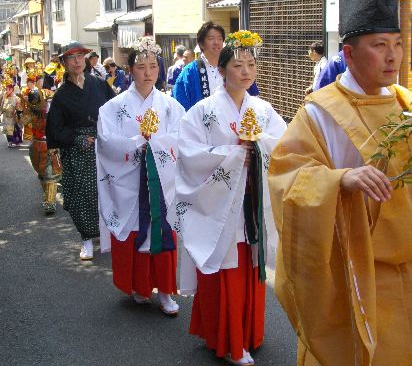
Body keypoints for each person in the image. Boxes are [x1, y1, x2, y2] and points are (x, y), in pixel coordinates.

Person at [269, 0, 412, 366]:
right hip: (361, 280)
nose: (393, 56)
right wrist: (339, 180)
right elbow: (287, 179)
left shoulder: (409, 104)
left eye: (399, 44)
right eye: (379, 44)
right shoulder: (321, 112)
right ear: (348, 53)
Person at [174, 37, 286, 365]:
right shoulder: (203, 112)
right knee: (225, 269)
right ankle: (230, 341)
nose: (245, 71)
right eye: (237, 65)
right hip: (220, 206)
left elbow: (284, 144)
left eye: (251, 64)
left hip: (251, 203)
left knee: (249, 268)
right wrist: (235, 155)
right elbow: (188, 154)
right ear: (222, 70)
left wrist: (261, 147)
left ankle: (248, 334)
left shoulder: (262, 110)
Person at [97, 37, 185, 315]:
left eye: (153, 67)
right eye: (141, 67)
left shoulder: (170, 105)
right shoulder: (114, 107)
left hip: (161, 181)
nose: (148, 73)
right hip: (130, 183)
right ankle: (141, 287)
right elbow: (106, 141)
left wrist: (156, 146)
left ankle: (167, 291)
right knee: (136, 230)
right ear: (130, 70)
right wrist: (137, 142)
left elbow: (182, 138)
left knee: (163, 230)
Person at [46, 41, 115, 260]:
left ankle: (109, 234)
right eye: (71, 57)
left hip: (103, 144)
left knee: (109, 191)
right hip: (78, 150)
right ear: (64, 63)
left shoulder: (99, 84)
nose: (77, 61)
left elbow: (115, 110)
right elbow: (55, 129)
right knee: (81, 194)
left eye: (80, 56)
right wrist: (76, 138)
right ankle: (86, 237)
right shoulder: (61, 95)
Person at [173, 22, 259, 111]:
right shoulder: (190, 71)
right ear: (201, 44)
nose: (216, 42)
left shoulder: (232, 67)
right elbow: (179, 102)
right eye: (211, 38)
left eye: (220, 38)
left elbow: (250, 94)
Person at [23, 66, 59, 215]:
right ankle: (48, 198)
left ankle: (50, 201)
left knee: (49, 174)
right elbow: (22, 122)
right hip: (38, 144)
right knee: (42, 173)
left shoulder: (52, 109)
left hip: (48, 144)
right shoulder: (33, 111)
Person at [0, 77, 21, 147]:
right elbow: (1, 106)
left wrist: (18, 109)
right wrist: (3, 98)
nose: (8, 90)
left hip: (13, 116)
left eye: (10, 89)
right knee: (8, 130)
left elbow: (18, 107)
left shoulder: (16, 97)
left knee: (16, 129)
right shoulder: (4, 97)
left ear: (12, 90)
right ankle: (10, 142)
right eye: (7, 89)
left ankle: (17, 141)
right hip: (7, 116)